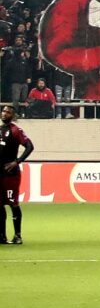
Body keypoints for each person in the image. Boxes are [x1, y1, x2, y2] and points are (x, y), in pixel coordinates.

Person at [0, 104, 33, 244]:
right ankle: (2, 236)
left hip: (10, 175)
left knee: (13, 204)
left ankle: (17, 235)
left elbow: (30, 146)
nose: (4, 113)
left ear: (12, 115)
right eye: (3, 111)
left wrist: (17, 161)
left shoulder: (16, 130)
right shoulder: (0, 129)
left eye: (8, 112)